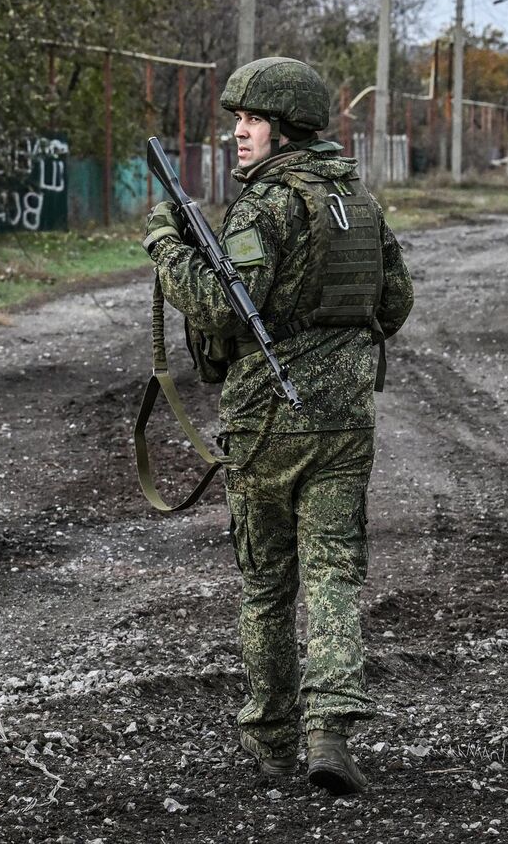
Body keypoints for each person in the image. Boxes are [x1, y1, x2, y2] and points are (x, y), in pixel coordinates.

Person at [143, 57, 413, 795]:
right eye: (237, 119)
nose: (239, 133)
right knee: (332, 571)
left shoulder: (264, 207)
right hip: (344, 418)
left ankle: (271, 742)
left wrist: (166, 245)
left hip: (266, 420)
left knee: (266, 583)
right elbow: (395, 302)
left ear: (286, 127)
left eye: (252, 120)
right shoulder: (357, 200)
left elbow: (221, 305)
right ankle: (330, 730)